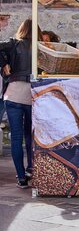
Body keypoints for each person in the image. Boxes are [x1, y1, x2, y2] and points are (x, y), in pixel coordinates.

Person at [0, 19, 41, 187]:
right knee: (31, 136)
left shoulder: (13, 43)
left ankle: (21, 177)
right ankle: (31, 168)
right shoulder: (40, 47)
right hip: (32, 96)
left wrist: (4, 64)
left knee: (16, 137)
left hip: (13, 95)